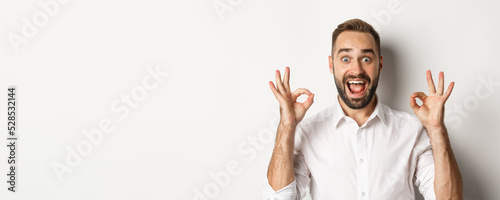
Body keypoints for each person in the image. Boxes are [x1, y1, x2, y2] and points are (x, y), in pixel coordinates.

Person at [263, 19, 463, 199]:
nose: (357, 69)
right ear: (331, 65)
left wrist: (436, 128)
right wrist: (287, 125)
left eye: (366, 59)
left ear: (380, 65)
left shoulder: (411, 131)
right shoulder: (308, 132)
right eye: (345, 59)